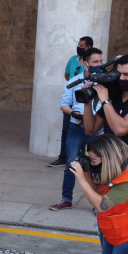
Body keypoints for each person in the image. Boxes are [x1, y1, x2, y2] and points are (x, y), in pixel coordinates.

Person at [69, 134, 128, 254]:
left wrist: (82, 180)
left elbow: (102, 205)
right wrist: (86, 171)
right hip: (112, 230)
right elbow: (95, 194)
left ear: (107, 159)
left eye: (93, 160)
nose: (92, 163)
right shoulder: (116, 168)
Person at [50, 47, 104, 211]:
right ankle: (66, 199)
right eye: (95, 62)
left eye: (101, 61)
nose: (99, 65)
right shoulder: (74, 81)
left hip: (97, 128)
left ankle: (99, 201)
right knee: (71, 163)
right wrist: (74, 113)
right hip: (76, 127)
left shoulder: (104, 81)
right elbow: (63, 105)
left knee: (100, 165)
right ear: (85, 63)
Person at [51, 35, 93, 167]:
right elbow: (67, 75)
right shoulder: (72, 60)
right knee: (66, 130)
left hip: (88, 105)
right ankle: (64, 156)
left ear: (88, 47)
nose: (79, 48)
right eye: (78, 45)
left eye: (82, 46)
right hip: (72, 102)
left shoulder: (95, 66)